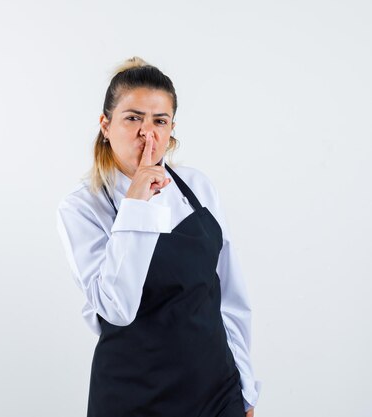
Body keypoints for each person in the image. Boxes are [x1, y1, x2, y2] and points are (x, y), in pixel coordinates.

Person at [55, 57, 261, 417]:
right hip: (133, 398)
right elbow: (116, 308)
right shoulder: (82, 208)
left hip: (215, 391)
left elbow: (230, 296)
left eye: (159, 121)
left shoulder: (197, 187)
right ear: (106, 125)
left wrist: (245, 387)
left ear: (171, 129)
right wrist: (136, 202)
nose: (147, 134)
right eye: (133, 118)